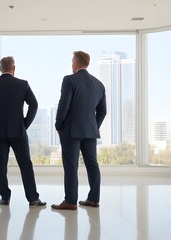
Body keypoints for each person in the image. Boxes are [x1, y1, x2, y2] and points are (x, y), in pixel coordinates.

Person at [0, 56, 46, 207]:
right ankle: (33, 199)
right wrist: (24, 124)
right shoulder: (22, 84)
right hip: (18, 130)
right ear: (14, 69)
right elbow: (34, 105)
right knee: (25, 165)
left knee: (0, 165)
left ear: (0, 69)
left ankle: (5, 197)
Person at [51, 51, 107, 210]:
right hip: (90, 130)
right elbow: (103, 111)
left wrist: (58, 125)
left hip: (71, 130)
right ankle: (94, 199)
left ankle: (70, 201)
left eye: (72, 61)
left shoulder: (69, 80)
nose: (71, 64)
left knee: (70, 165)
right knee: (92, 164)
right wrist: (94, 125)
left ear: (76, 63)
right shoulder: (99, 84)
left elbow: (64, 105)